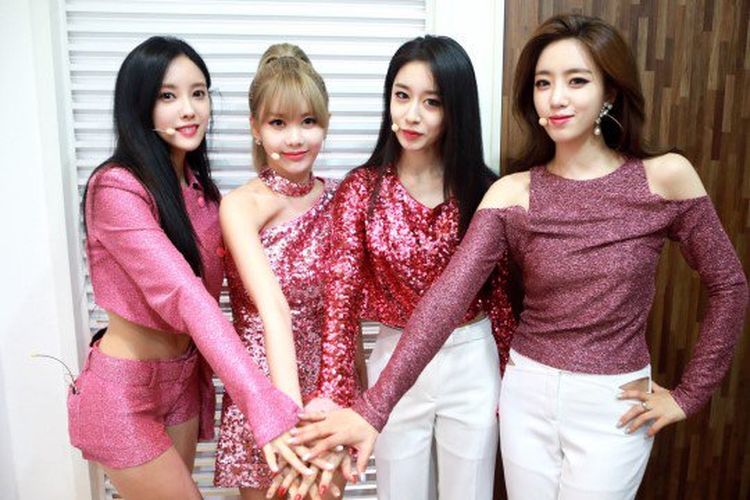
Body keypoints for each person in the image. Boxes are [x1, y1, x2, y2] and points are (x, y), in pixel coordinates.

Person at [292, 15, 748, 500]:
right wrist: (372, 408)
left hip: (612, 402)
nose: (556, 98)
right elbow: (447, 301)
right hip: (526, 394)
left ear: (610, 93)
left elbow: (729, 285)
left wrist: (689, 395)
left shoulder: (664, 177)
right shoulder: (511, 193)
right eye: (543, 83)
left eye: (576, 81)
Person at [68, 36, 310, 499]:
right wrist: (260, 402)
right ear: (139, 105)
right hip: (124, 391)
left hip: (181, 383)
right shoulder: (115, 188)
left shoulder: (205, 195)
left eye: (198, 93)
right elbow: (186, 296)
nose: (189, 109)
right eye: (168, 96)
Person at [304, 35, 516, 500]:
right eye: (402, 96)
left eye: (431, 102)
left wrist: (512, 382)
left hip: (471, 357)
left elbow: (500, 298)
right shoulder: (361, 190)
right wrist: (334, 397)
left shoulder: (485, 190)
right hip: (393, 357)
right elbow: (339, 303)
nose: (412, 114)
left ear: (455, 109)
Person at [213, 43, 347, 500]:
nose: (295, 138)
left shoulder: (341, 199)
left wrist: (356, 397)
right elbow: (274, 310)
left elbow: (343, 311)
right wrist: (287, 417)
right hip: (265, 390)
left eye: (308, 121)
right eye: (278, 123)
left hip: (327, 387)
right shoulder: (240, 205)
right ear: (255, 128)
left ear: (325, 124)